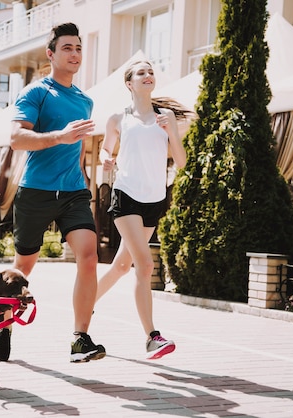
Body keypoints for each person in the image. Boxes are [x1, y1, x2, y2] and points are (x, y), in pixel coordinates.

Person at [0, 22, 105, 363]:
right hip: (36, 192)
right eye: (67, 48)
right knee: (23, 268)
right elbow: (16, 138)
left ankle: (80, 339)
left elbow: (77, 149)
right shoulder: (36, 93)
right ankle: (5, 322)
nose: (75, 54)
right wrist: (59, 135)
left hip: (73, 192)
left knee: (89, 258)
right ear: (51, 54)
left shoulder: (86, 101)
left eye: (79, 48)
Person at [96, 60, 189, 360]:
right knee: (145, 266)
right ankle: (152, 337)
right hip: (126, 196)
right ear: (129, 84)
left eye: (151, 72)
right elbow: (105, 149)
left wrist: (172, 132)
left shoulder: (167, 117)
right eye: (141, 73)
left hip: (153, 200)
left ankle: (85, 303)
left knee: (123, 267)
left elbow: (182, 161)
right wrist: (106, 160)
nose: (148, 76)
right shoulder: (118, 118)